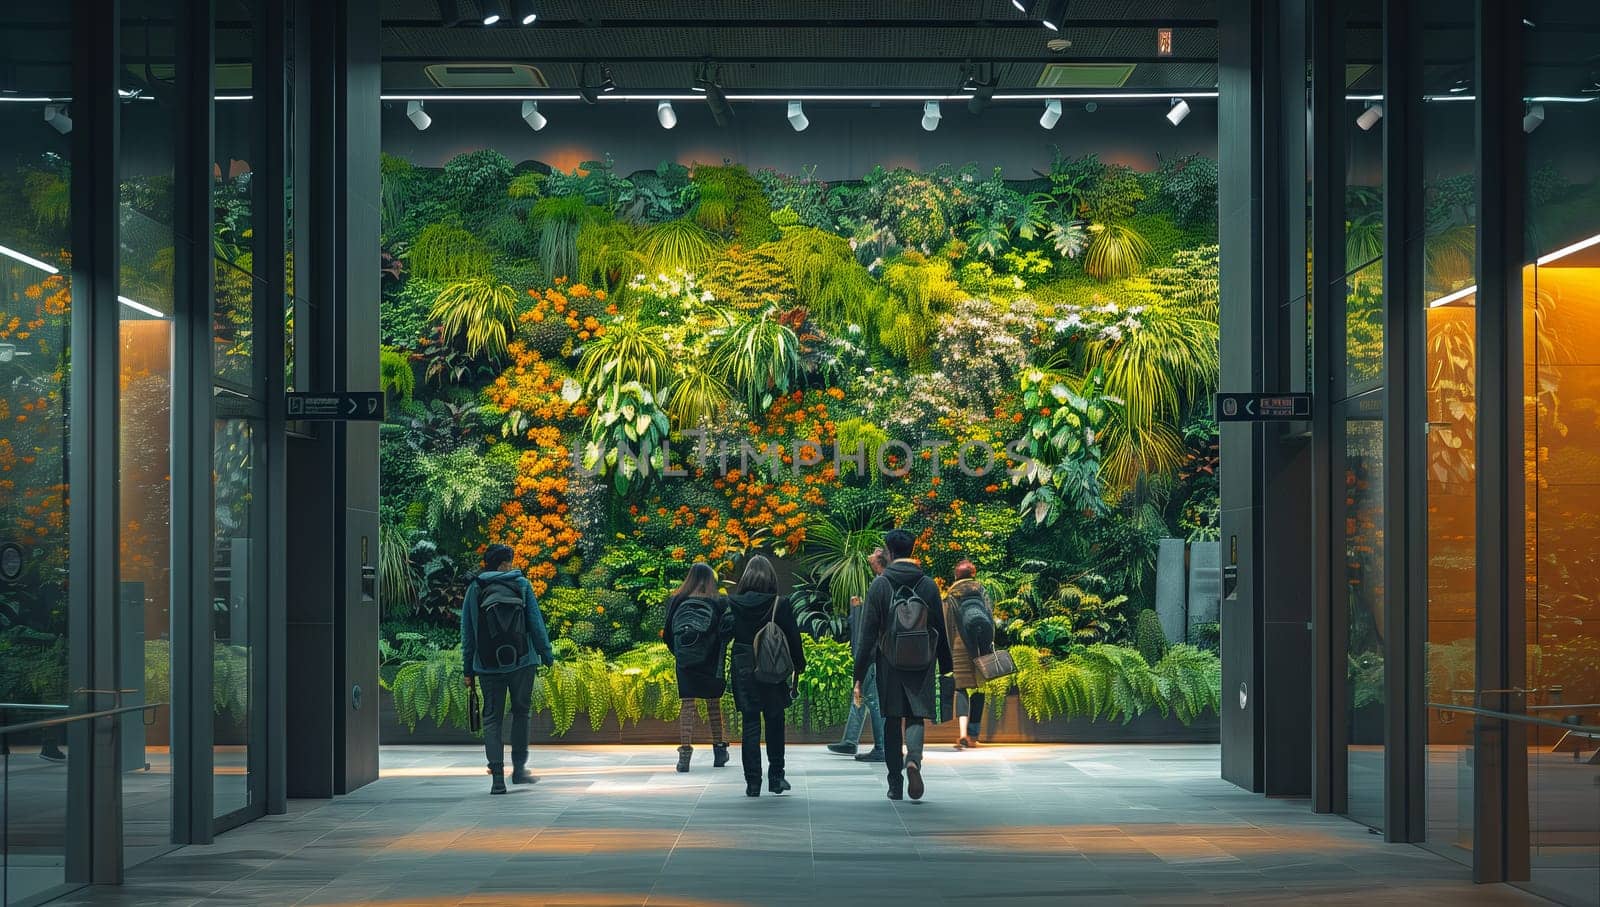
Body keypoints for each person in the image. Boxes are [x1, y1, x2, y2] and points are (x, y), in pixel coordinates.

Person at [854, 528, 953, 802]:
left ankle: (895, 783)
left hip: (890, 661)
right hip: (922, 661)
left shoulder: (880, 585)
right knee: (915, 714)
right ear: (912, 550)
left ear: (889, 552)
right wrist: (946, 666)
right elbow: (939, 630)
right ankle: (914, 762)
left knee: (892, 718)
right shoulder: (928, 585)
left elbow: (868, 635)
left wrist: (858, 675)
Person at [461, 543, 555, 795]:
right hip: (522, 661)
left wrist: (467, 669)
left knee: (491, 718)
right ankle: (519, 770)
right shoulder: (522, 585)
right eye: (510, 561)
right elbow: (536, 624)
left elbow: (468, 632)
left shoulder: (475, 588)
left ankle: (497, 779)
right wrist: (546, 655)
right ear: (503, 564)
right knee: (521, 713)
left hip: (488, 665)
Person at [724, 554, 806, 797]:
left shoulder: (733, 603)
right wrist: (799, 666)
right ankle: (776, 777)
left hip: (743, 666)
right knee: (774, 720)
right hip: (772, 665)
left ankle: (752, 783)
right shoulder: (780, 604)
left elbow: (725, 634)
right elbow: (793, 637)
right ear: (771, 578)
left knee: (750, 723)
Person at [664, 562, 730, 772]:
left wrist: (682, 653)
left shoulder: (676, 600)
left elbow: (667, 633)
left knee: (687, 705)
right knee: (713, 705)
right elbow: (725, 632)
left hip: (685, 662)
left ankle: (684, 756)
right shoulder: (719, 602)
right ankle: (719, 752)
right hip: (710, 661)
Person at [827, 547, 888, 762]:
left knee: (872, 699)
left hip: (874, 653)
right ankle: (850, 740)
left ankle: (881, 747)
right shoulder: (885, 583)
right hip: (878, 651)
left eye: (874, 553)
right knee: (861, 694)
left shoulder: (881, 584)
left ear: (879, 561)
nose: (870, 555)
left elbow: (872, 624)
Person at [944, 559, 993, 749]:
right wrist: (988, 643)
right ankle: (974, 735)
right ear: (973, 574)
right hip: (980, 644)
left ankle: (963, 733)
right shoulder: (981, 590)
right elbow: (989, 615)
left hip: (959, 644)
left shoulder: (952, 594)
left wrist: (947, 650)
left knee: (961, 688)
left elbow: (948, 623)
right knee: (980, 688)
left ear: (957, 575)